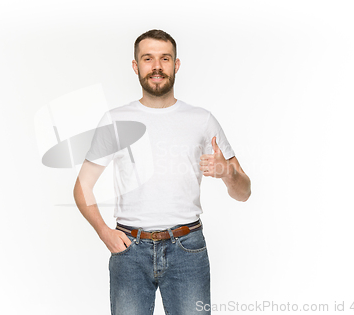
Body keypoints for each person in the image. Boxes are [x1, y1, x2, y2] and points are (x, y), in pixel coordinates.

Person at [73, 29, 251, 315]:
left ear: (176, 65)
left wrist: (226, 172)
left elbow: (244, 192)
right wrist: (104, 231)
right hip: (129, 250)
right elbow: (82, 187)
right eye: (148, 59)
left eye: (165, 58)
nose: (157, 66)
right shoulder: (116, 120)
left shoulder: (202, 120)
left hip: (188, 250)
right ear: (136, 66)